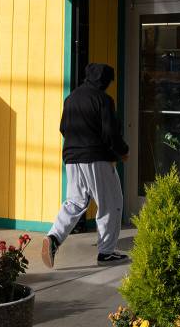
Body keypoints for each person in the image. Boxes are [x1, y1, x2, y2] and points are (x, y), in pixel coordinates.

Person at [42, 63, 129, 267]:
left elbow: (63, 128)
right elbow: (110, 132)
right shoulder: (103, 100)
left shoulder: (71, 98)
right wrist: (122, 151)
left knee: (75, 201)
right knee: (111, 201)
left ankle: (53, 237)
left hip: (72, 157)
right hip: (96, 157)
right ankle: (106, 252)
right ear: (104, 80)